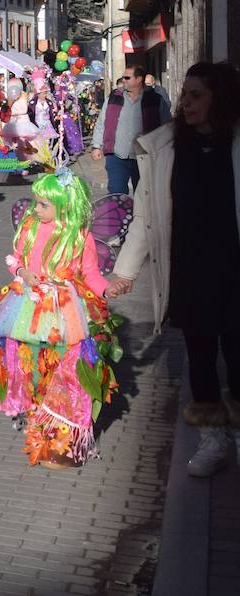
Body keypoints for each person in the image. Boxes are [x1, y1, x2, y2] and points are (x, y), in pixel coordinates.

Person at [109, 61, 240, 477]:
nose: (187, 102)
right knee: (200, 358)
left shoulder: (234, 144)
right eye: (186, 94)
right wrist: (124, 271)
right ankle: (212, 439)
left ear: (221, 100)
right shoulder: (165, 149)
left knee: (238, 358)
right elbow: (146, 216)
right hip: (190, 269)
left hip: (234, 269)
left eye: (198, 95)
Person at [0, 172, 118, 468]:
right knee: (32, 365)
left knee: (64, 368)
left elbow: (91, 274)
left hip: (65, 308)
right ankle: (37, 426)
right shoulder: (30, 228)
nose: (35, 210)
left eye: (43, 205)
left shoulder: (80, 237)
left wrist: (108, 288)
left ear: (64, 205)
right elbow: (15, 259)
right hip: (28, 305)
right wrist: (21, 273)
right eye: (36, 203)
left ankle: (61, 438)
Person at [91, 65, 171, 195]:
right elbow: (102, 122)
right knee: (116, 195)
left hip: (145, 156)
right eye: (123, 77)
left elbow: (167, 127)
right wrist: (96, 146)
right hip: (117, 155)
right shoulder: (114, 97)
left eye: (127, 78)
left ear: (139, 79)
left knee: (144, 196)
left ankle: (139, 216)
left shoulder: (155, 100)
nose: (123, 80)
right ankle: (119, 216)